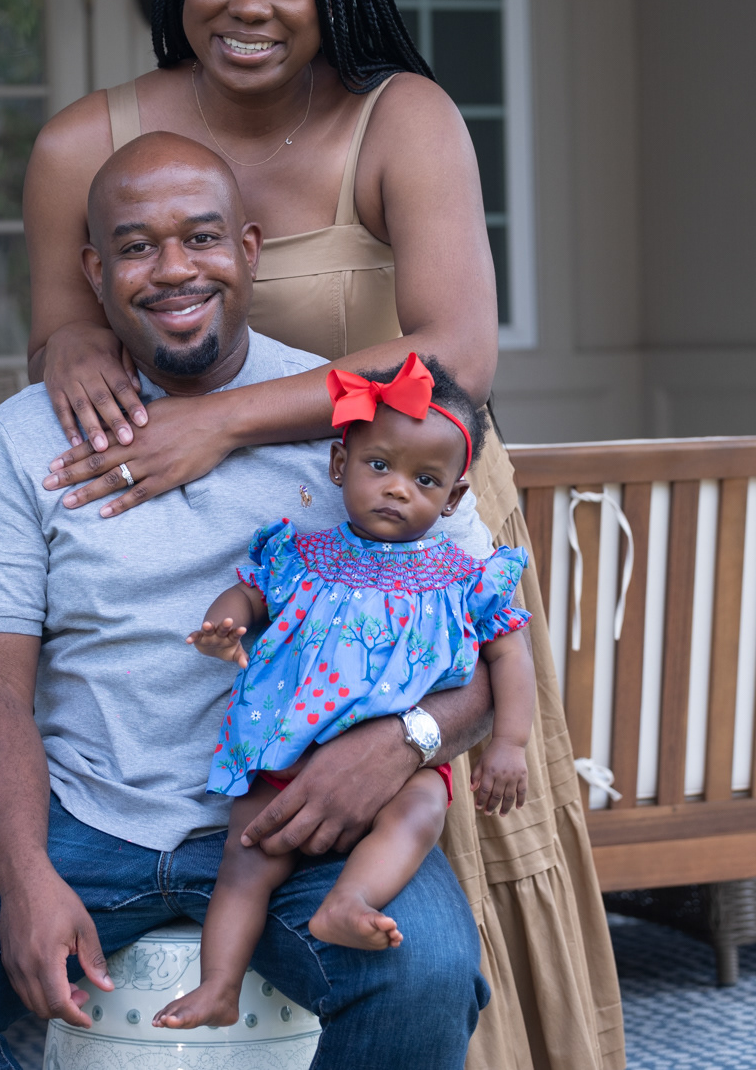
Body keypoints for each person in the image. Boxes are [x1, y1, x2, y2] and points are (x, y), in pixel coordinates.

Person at [23, 0, 624, 1069]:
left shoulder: (401, 116)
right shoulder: (85, 140)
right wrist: (70, 341)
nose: (248, 7)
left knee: (432, 835)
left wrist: (227, 419)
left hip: (413, 526)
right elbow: (62, 323)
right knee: (247, 814)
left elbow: (453, 356)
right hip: (233, 549)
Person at [0, 136, 492, 1070]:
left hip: (298, 817)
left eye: (202, 238)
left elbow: (489, 655)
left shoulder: (363, 427)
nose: (174, 269)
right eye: (136, 246)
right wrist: (25, 874)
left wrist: (402, 743)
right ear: (95, 272)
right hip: (80, 814)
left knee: (428, 974)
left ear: (249, 250)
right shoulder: (21, 439)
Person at [154, 354, 535, 1033]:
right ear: (340, 464)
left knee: (422, 811)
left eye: (424, 480)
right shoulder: (302, 556)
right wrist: (223, 625)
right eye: (378, 465)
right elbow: (248, 594)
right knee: (246, 858)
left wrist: (509, 742)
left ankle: (349, 900)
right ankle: (218, 986)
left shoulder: (464, 577)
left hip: (399, 765)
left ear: (452, 499)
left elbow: (510, 653)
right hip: (287, 743)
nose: (396, 490)